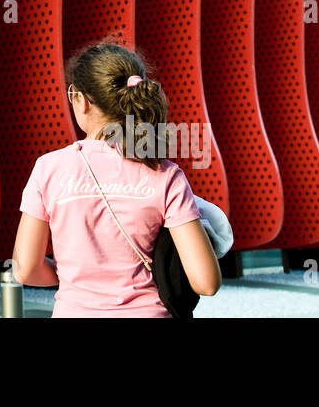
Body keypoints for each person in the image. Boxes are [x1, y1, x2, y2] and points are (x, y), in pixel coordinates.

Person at [12, 43, 222, 316]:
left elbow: (25, 269)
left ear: (81, 100)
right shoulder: (165, 174)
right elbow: (206, 283)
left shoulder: (48, 168)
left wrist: (76, 277)